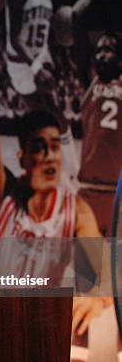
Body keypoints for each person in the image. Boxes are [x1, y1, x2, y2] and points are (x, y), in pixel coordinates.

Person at [0, 0, 113, 362]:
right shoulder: (2, 199)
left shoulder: (73, 210)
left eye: (53, 147)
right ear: (23, 159)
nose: (48, 155)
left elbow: (94, 262)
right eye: (38, 148)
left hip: (34, 342)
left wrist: (97, 290)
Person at [78, 31, 121, 237]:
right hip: (89, 191)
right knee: (87, 268)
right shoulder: (89, 83)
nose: (102, 55)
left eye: (108, 50)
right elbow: (77, 27)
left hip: (118, 193)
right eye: (99, 51)